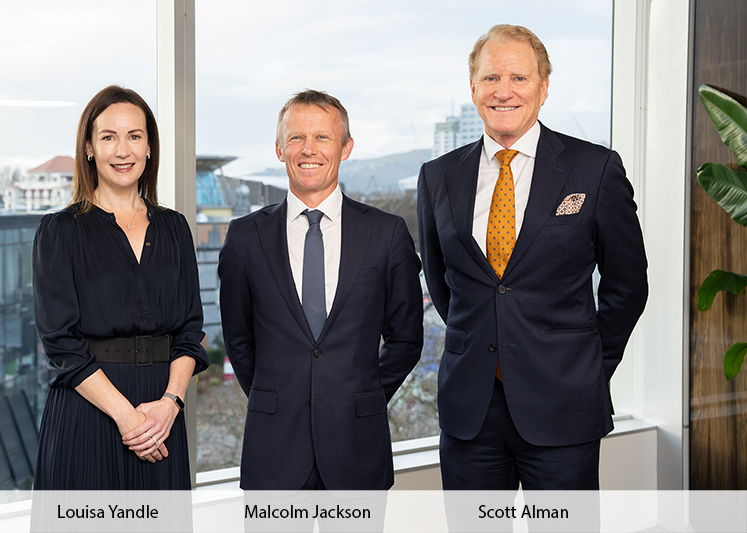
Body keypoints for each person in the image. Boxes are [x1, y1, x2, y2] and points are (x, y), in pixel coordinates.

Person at [417, 25, 648, 491]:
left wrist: (587, 368)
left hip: (565, 403)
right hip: (470, 409)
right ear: (473, 88)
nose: (503, 91)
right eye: (491, 78)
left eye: (519, 78)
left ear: (543, 87)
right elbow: (443, 285)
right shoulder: (438, 176)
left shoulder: (595, 168)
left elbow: (627, 285)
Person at [218, 89, 423, 491]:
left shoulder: (386, 234)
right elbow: (239, 340)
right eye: (296, 137)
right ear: (279, 149)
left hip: (358, 449)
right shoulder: (245, 238)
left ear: (346, 148)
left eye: (322, 137)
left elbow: (406, 339)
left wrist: (361, 395)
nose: (308, 149)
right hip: (274, 451)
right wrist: (276, 397)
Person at [32, 85, 208, 490]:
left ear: (150, 147)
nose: (123, 150)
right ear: (89, 148)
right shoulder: (60, 231)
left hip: (162, 418)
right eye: (109, 137)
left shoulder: (175, 228)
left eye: (134, 136)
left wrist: (170, 404)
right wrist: (129, 419)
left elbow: (190, 331)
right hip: (88, 413)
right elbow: (60, 343)